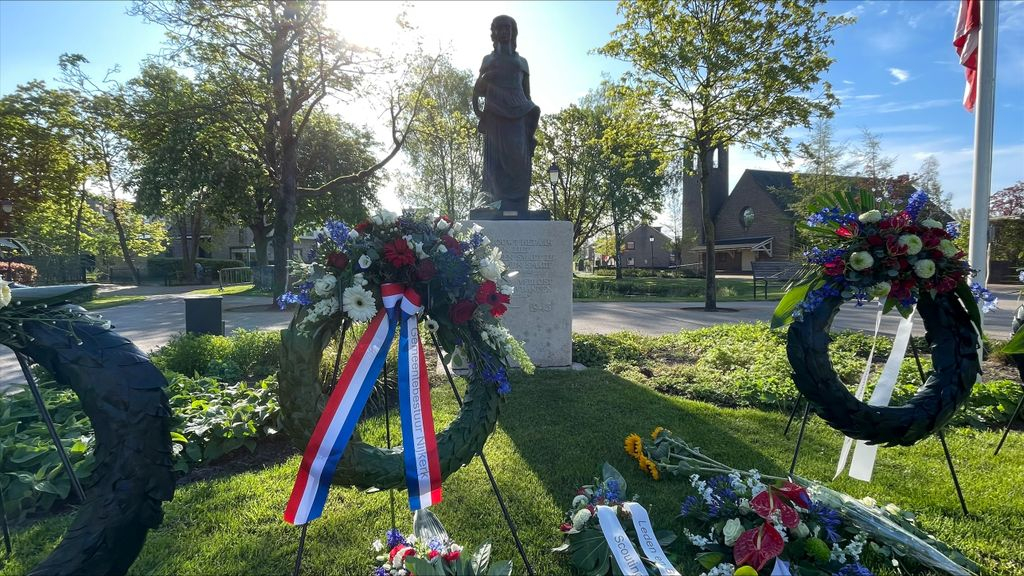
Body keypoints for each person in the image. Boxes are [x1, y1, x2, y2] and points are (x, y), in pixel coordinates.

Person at [472, 15, 541, 214]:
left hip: (519, 113)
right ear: (494, 33)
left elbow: (527, 93)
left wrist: (530, 124)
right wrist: (480, 113)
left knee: (520, 160)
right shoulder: (488, 60)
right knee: (495, 163)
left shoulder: (522, 62)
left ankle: (519, 206)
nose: (504, 31)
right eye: (500, 28)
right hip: (494, 116)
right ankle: (494, 203)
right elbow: (478, 90)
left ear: (513, 32)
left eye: (508, 28)